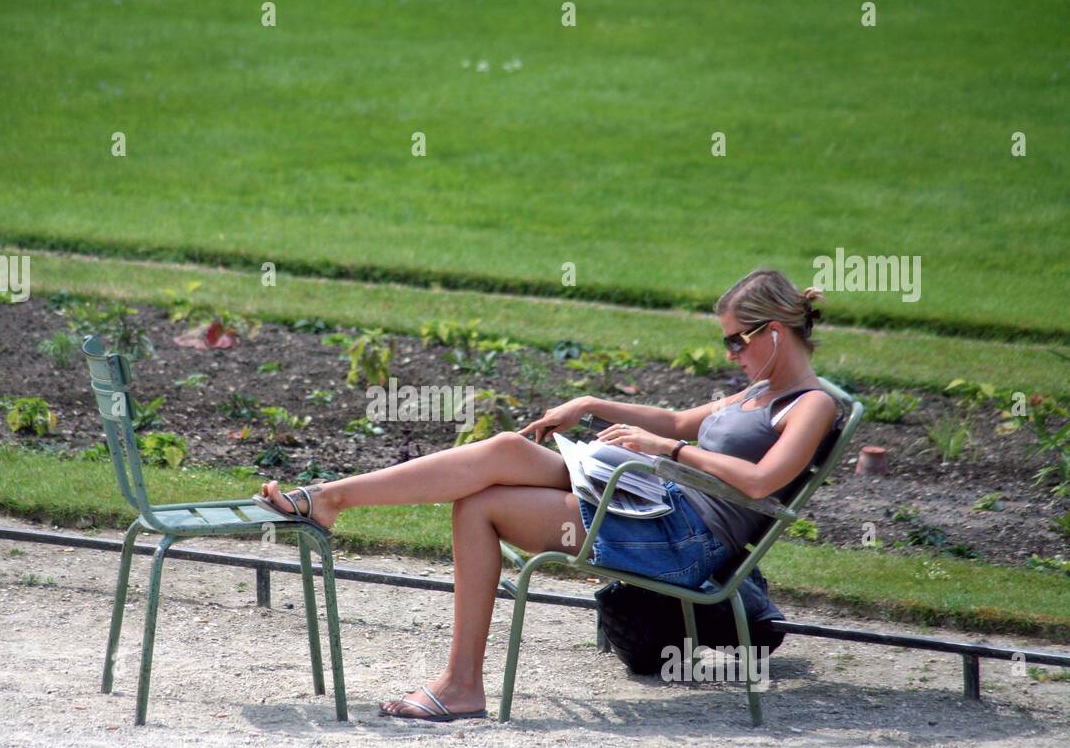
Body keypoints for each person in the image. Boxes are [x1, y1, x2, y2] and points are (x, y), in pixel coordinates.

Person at [254, 269, 842, 721]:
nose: (732, 355)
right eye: (727, 345)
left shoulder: (809, 404)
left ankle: (462, 685)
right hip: (649, 500)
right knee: (506, 449)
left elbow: (764, 480)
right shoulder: (757, 391)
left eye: (737, 342)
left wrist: (665, 451)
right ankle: (332, 499)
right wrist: (590, 405)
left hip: (680, 538)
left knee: (480, 507)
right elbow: (675, 415)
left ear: (773, 332)